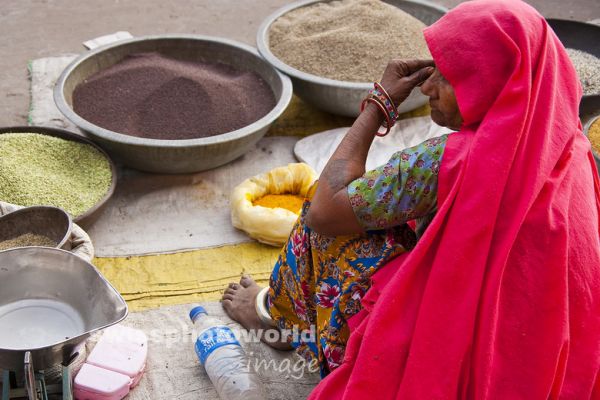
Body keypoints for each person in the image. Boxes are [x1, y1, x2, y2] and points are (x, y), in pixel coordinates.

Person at [223, 0, 600, 396]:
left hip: (457, 356)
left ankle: (286, 325)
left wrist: (379, 104)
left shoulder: (451, 161)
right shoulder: (570, 143)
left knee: (323, 223)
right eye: (433, 67)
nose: (426, 86)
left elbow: (325, 211)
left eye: (449, 77)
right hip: (546, 362)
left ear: (492, 83)